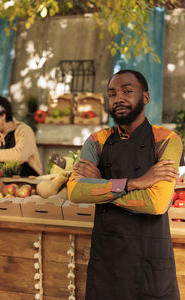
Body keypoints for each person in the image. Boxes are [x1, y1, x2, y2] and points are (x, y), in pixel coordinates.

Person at [67, 69, 182, 300]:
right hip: (107, 260)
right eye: (112, 94)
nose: (118, 98)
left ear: (146, 97)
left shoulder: (167, 140)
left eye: (127, 91)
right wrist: (136, 183)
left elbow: (156, 203)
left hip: (150, 264)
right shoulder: (96, 141)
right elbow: (76, 191)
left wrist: (100, 184)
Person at [0, 94, 42, 177]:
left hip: (28, 186)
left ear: (2, 115)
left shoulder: (24, 130)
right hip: (2, 188)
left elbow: (20, 155)